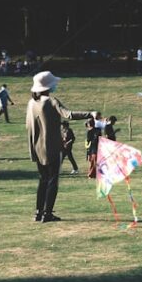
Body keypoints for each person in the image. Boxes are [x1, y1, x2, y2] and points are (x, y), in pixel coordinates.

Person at [26, 70, 91, 223]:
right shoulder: (51, 101)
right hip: (52, 147)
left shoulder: (31, 103)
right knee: (53, 180)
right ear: (48, 86)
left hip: (37, 148)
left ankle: (38, 212)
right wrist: (91, 113)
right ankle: (48, 214)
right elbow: (68, 114)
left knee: (43, 180)